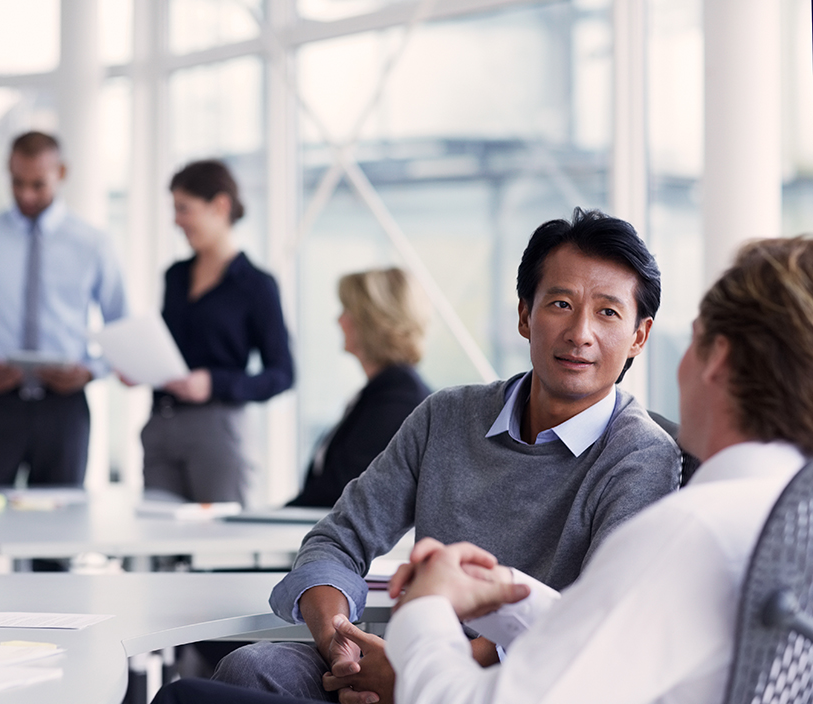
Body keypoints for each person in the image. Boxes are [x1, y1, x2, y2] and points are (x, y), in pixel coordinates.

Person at [207, 208, 682, 703]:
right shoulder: (447, 416)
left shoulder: (642, 455)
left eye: (608, 312)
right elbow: (338, 538)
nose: (580, 332)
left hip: (521, 685)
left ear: (639, 337)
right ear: (525, 315)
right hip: (405, 656)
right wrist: (340, 643)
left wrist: (423, 670)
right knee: (253, 668)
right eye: (560, 303)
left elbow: (595, 625)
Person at [0, 131, 126, 491]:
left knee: (56, 535)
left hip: (64, 410)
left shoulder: (93, 244)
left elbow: (122, 330)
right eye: (17, 183)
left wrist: (90, 371)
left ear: (61, 173)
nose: (26, 195)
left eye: (38, 184)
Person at [142, 160, 294, 505]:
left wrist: (214, 383)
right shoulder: (175, 277)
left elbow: (282, 374)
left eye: (184, 209)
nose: (176, 220)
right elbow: (172, 350)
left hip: (217, 428)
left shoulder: (256, 286)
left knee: (220, 542)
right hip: (161, 425)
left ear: (220, 206)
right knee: (159, 543)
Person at [288, 268, 431, 508]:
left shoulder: (398, 397)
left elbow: (342, 487)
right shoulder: (382, 391)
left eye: (347, 310)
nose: (339, 320)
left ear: (371, 322)